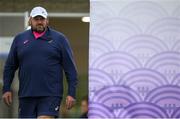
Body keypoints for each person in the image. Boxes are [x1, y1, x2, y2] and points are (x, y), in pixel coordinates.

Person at [2, 6, 78, 118]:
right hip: (26, 94)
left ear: (47, 21)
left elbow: (70, 69)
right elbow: (10, 66)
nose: (39, 22)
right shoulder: (19, 39)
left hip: (50, 95)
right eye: (36, 19)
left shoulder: (59, 39)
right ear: (30, 20)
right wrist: (6, 88)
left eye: (42, 19)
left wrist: (71, 93)